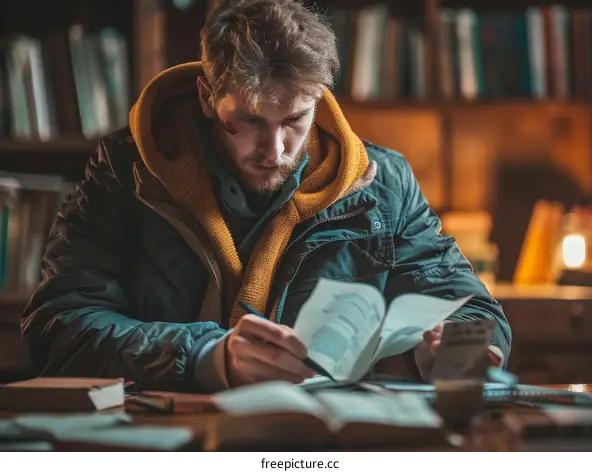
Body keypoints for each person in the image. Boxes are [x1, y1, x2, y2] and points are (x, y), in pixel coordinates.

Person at [21, 0, 511, 393]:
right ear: (207, 97)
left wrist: (456, 351)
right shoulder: (125, 171)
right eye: (252, 120)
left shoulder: (385, 182)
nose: (273, 150)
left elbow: (473, 309)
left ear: (318, 101)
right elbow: (58, 326)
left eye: (295, 120)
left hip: (336, 439)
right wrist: (208, 357)